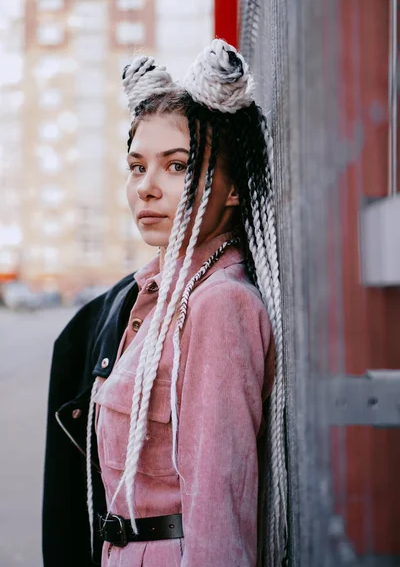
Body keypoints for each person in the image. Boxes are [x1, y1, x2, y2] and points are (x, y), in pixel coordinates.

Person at [42, 39, 286, 567]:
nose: (146, 188)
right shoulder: (148, 297)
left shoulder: (220, 305)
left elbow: (220, 512)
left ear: (232, 189)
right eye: (136, 166)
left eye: (176, 166)